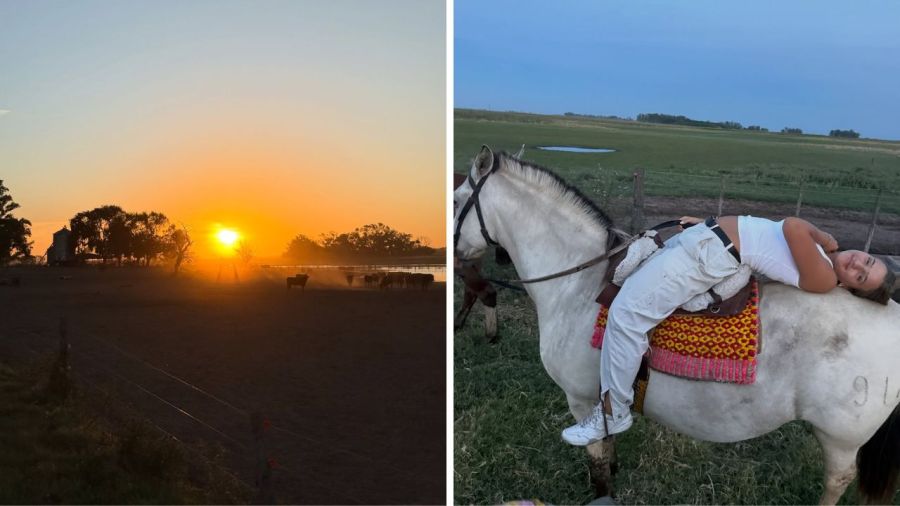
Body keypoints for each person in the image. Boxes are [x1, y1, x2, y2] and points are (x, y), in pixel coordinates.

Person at [562, 215, 897, 446]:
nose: (858, 264)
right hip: (708, 240)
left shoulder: (824, 276)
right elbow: (768, 232)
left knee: (625, 315)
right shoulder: (824, 257)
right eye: (868, 261)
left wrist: (824, 237)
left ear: (851, 289)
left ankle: (613, 412)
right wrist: (707, 225)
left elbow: (793, 226)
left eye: (861, 277)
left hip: (711, 257)